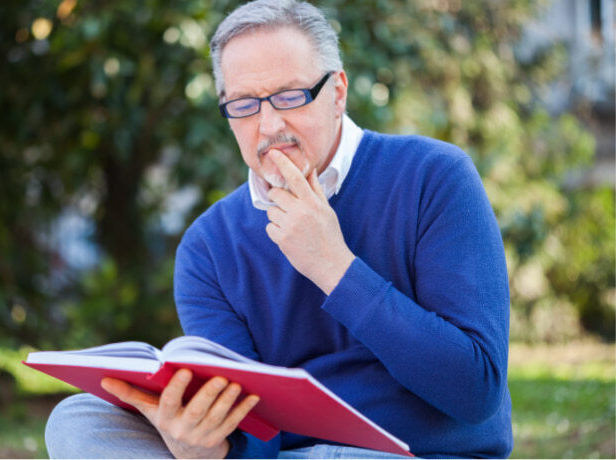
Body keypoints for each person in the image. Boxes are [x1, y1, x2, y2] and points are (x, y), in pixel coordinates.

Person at [44, 0, 513, 458]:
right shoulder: (208, 247)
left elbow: (474, 391)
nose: (269, 125)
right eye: (245, 105)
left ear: (338, 92)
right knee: (78, 422)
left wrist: (333, 265)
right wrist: (201, 447)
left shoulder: (433, 177)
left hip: (410, 453)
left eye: (290, 96)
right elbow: (251, 434)